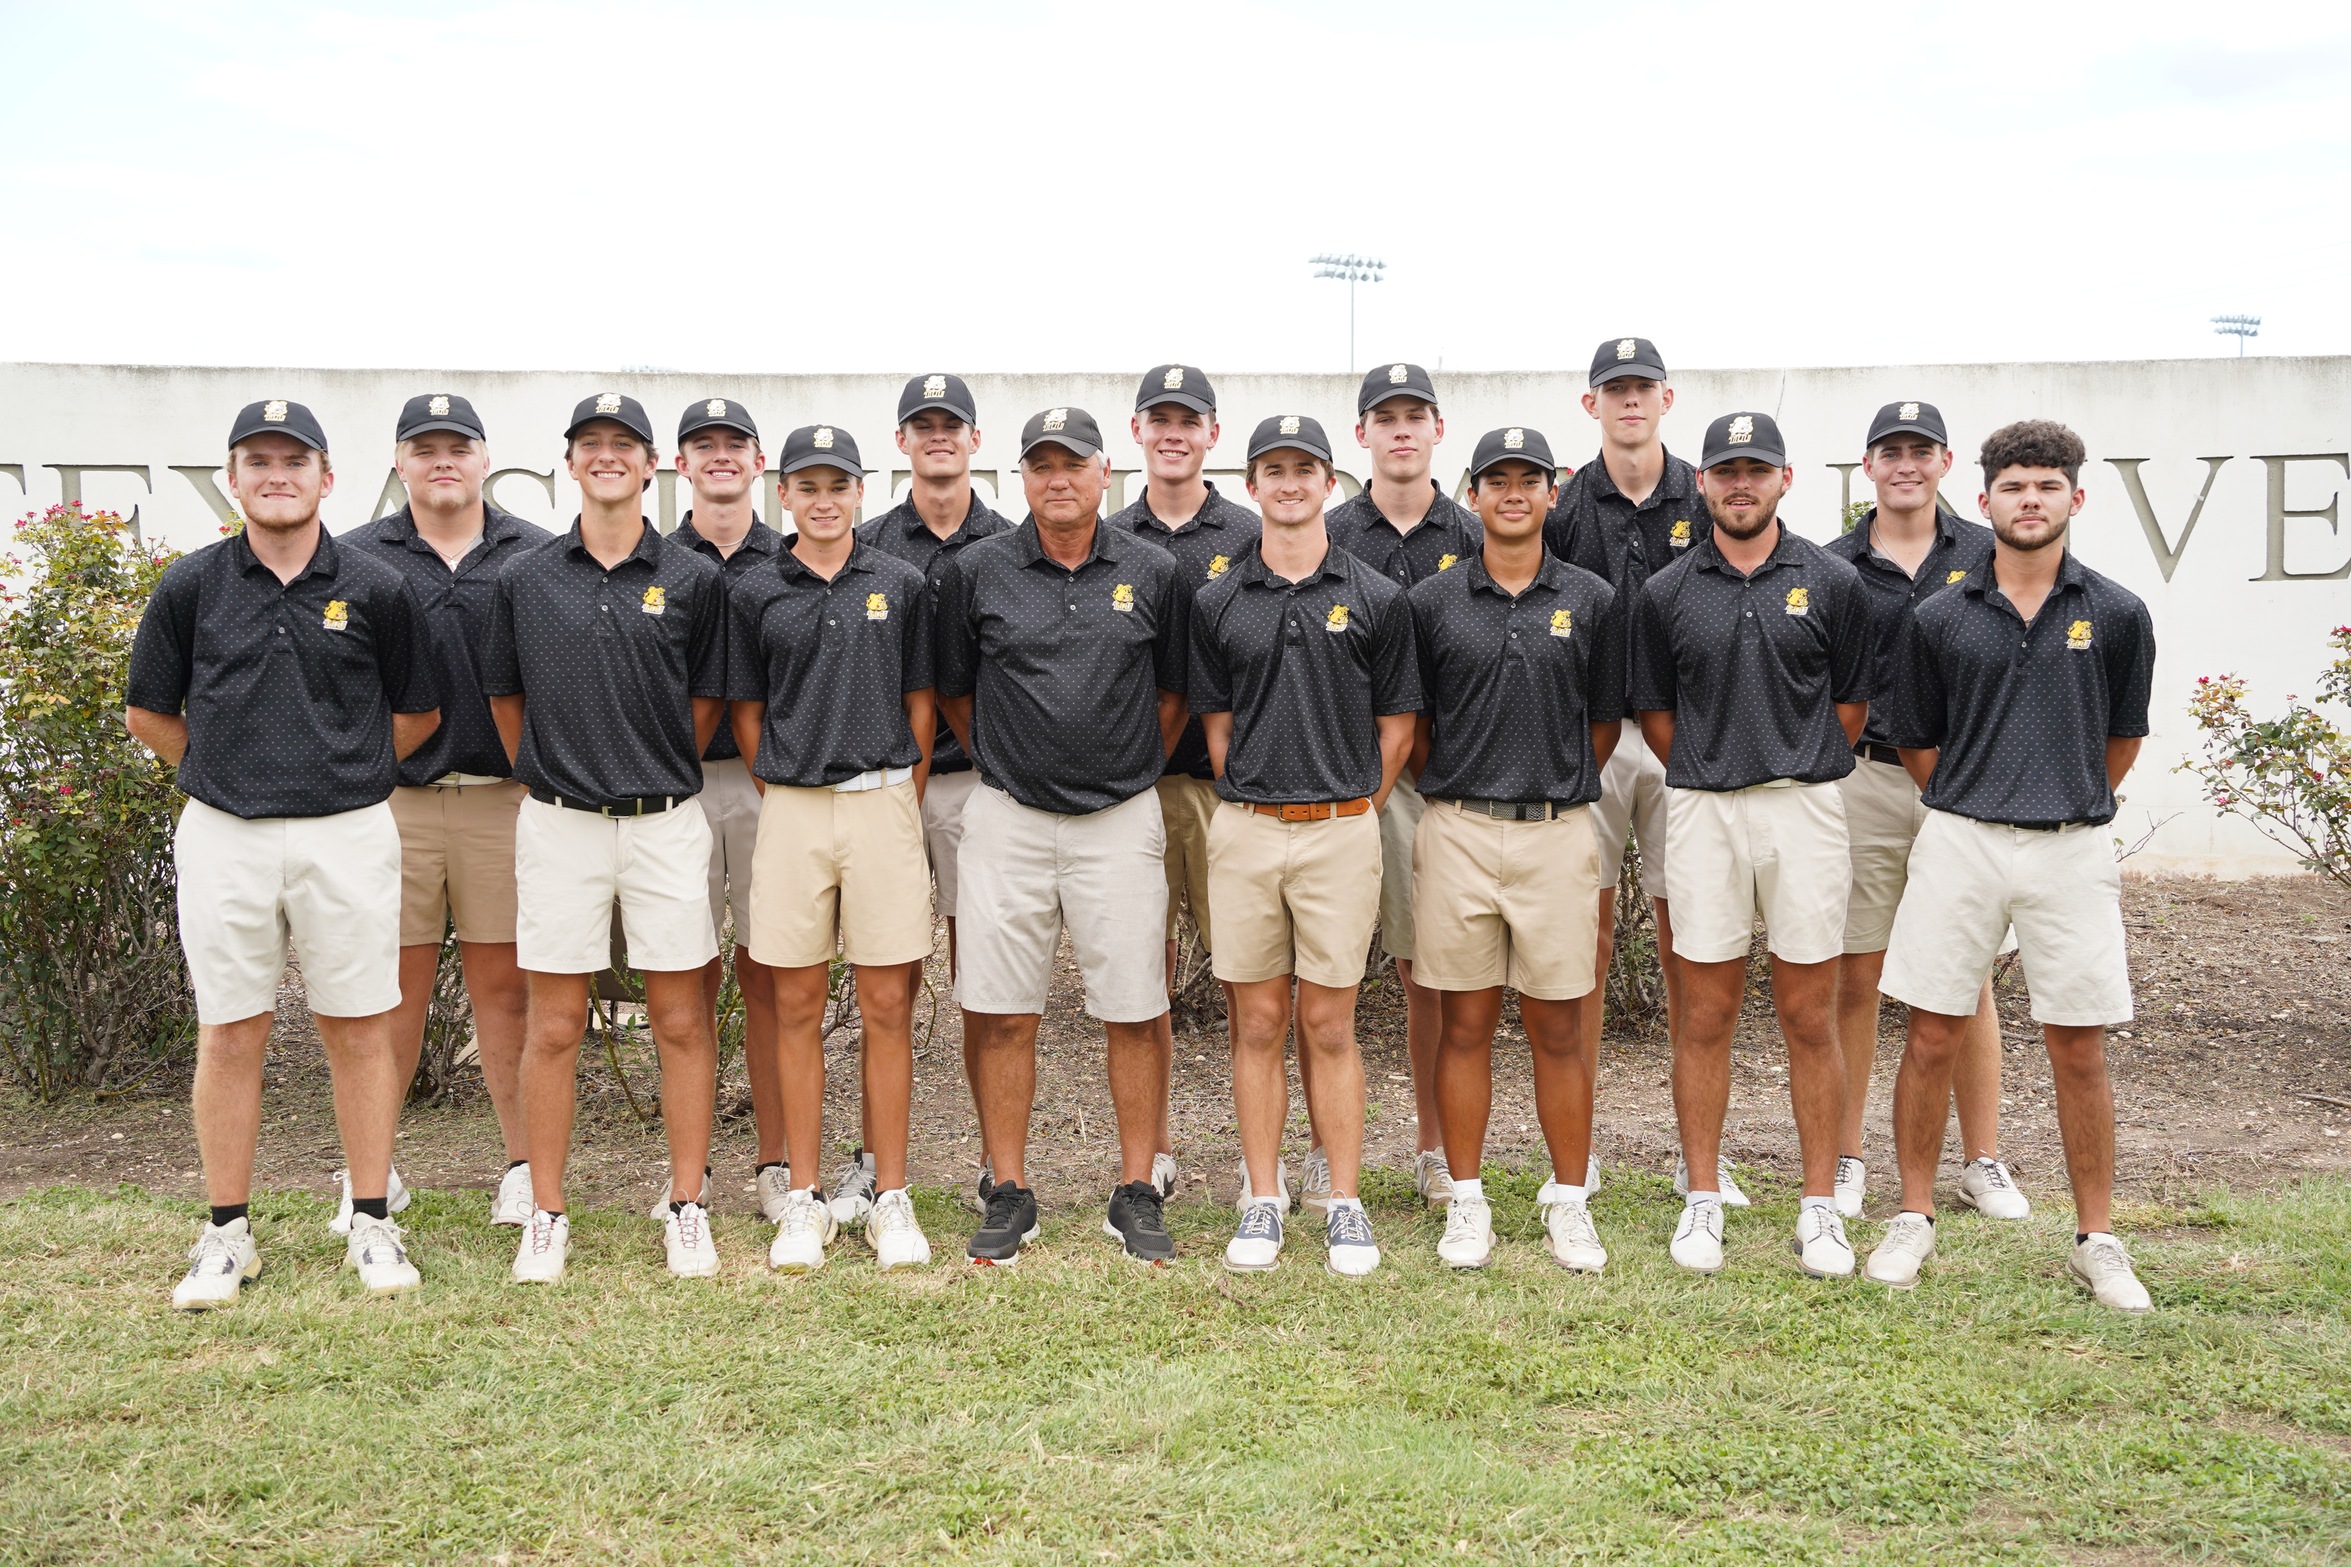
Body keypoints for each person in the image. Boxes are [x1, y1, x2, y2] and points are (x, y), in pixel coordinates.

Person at [127, 398, 442, 1308]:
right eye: (257, 460)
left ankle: (374, 1218)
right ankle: (227, 1233)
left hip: (346, 830)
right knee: (231, 1029)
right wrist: (228, 771)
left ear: (326, 477)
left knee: (356, 1024)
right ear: (233, 478)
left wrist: (342, 771)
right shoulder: (192, 585)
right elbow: (149, 710)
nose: (277, 474)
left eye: (294, 460)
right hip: (225, 830)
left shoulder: (377, 586)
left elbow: (417, 711)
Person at [1867, 420, 2156, 1311]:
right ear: (1983, 496)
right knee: (1931, 1031)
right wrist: (1975, 795)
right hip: (1960, 837)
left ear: (2075, 496)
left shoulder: (2114, 612)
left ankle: (2096, 1238)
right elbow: (1916, 740)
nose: (2029, 499)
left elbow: (2120, 741)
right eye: (2013, 485)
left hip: (2070, 845)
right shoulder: (1939, 616)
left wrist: (2056, 795)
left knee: (2078, 1044)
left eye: (2046, 484)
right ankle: (1913, 1213)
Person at [481, 392, 729, 1284]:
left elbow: (704, 706)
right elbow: (507, 702)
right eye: (591, 444)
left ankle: (687, 1204)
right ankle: (546, 1213)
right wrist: (556, 771)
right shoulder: (526, 578)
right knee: (553, 1024)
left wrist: (645, 765)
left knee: (677, 1016)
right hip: (558, 824)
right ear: (571, 463)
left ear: (652, 463)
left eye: (624, 444)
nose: (607, 456)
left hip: (663, 823)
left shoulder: (695, 579)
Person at [934, 405, 1188, 1266]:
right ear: (1022, 477)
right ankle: (1006, 1187)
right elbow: (956, 692)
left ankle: (1136, 1188)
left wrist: (1121, 761)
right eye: (1041, 465)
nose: (1058, 478)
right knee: (1004, 1011)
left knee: (1133, 1005)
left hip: (1118, 818)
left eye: (1072, 463)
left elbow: (1173, 696)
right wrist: (1010, 760)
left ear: (1102, 472)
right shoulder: (979, 571)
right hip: (1009, 818)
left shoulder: (1152, 571)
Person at [1629, 411, 1872, 1279]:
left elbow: (1850, 705)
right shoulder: (1664, 592)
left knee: (1810, 1012)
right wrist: (1709, 764)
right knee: (1704, 1011)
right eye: (1725, 470)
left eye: (1755, 469)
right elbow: (1655, 714)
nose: (1740, 483)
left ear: (1784, 478)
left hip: (1803, 807)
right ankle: (1701, 1197)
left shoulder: (1832, 580)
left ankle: (1818, 1208)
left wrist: (1786, 762)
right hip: (1701, 808)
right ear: (1702, 482)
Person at [1193, 414, 1417, 1277]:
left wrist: (1356, 804)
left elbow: (1396, 726)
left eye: (1304, 469)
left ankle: (1344, 1203)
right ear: (1251, 486)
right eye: (1272, 470)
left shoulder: (1373, 595)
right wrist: (1257, 795)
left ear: (1331, 483)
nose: (1288, 484)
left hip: (1339, 830)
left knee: (1328, 1021)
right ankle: (1261, 1195)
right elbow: (1215, 725)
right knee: (1254, 1020)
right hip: (1248, 829)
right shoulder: (1217, 598)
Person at [1409, 427, 1624, 1272]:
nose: (1511, 494)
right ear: (1472, 494)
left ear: (1550, 494)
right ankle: (1466, 1198)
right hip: (1457, 826)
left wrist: (1551, 782)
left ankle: (1568, 1199)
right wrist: (1462, 784)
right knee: (1463, 1022)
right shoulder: (1432, 603)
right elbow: (1416, 726)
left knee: (1559, 1024)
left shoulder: (1592, 598)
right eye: (1495, 480)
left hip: (1557, 829)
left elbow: (1602, 722)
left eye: (1527, 480)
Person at [727, 424, 937, 1272]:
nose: (823, 500)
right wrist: (781, 791)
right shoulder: (754, 590)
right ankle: (805, 1198)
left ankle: (890, 1194)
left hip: (882, 798)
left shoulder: (901, 582)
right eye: (807, 486)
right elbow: (747, 709)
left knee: (888, 1006)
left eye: (838, 485)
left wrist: (899, 796)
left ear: (860, 491)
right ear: (783, 493)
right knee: (795, 1004)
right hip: (792, 809)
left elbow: (921, 701)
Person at [1822, 400, 2024, 1221]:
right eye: (1888, 450)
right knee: (1856, 971)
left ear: (1945, 463)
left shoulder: (1989, 553)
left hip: (1963, 785)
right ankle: (1844, 1158)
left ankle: (1981, 1159)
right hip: (1866, 778)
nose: (1904, 464)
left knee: (1965, 974)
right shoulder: (1831, 566)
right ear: (1866, 465)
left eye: (1920, 450)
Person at [355, 393, 549, 1233]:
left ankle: (520, 1166)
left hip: (500, 801)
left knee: (504, 993)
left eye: (458, 446)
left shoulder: (534, 557)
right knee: (388, 995)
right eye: (423, 447)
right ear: (399, 461)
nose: (442, 460)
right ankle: (375, 1173)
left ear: (483, 459)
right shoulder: (357, 559)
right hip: (390, 804)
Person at [1542, 336, 1703, 1199]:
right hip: (1591, 739)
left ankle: (1692, 1153)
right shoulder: (1565, 504)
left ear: (1666, 400)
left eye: (1642, 388)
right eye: (1615, 389)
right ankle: (1584, 1145)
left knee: (1690, 947)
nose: (1629, 401)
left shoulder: (1704, 492)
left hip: (1682, 739)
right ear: (1591, 404)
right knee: (1586, 947)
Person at [1321, 360, 1482, 1212]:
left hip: (1446, 779)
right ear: (1363, 436)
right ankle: (1321, 1151)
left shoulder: (1474, 527)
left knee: (1430, 974)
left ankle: (1429, 1147)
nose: (1400, 430)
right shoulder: (1331, 532)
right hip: (1352, 774)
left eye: (1414, 414)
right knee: (1330, 971)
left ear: (1435, 429)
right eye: (1384, 417)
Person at [855, 373, 1014, 1218]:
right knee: (886, 985)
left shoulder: (1012, 544)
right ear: (902, 442)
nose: (937, 437)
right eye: (923, 425)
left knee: (981, 983)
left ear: (975, 441)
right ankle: (878, 1163)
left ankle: (998, 1162)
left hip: (972, 784)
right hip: (881, 787)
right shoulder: (872, 542)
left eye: (951, 425)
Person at [1106, 363, 1262, 1205]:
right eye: (1157, 418)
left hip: (1217, 787)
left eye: (1188, 419)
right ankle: (1156, 1147)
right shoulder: (1107, 536)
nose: (1173, 432)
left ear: (1211, 433)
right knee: (1143, 976)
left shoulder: (1243, 532)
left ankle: (1254, 1155)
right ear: (1135, 432)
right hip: (1129, 791)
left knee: (1244, 972)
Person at [666, 397, 791, 1226]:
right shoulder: (651, 559)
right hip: (673, 789)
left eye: (733, 445)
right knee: (686, 981)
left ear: (756, 463)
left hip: (763, 785)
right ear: (680, 464)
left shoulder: (788, 559)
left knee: (770, 974)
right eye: (702, 445)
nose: (719, 457)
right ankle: (691, 1172)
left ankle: (777, 1163)